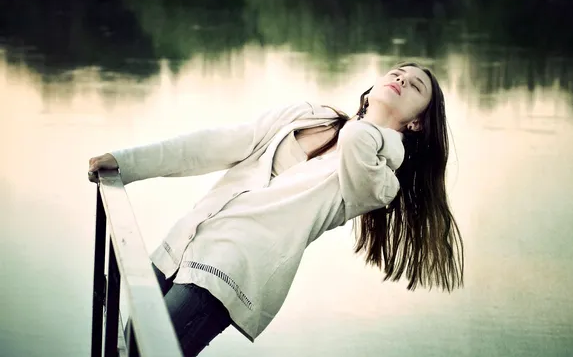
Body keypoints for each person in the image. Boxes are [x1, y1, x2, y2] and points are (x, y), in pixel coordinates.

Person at [88, 62, 464, 356]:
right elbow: (216, 144)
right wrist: (126, 163)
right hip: (186, 240)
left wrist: (385, 134)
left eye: (415, 86)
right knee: (125, 347)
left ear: (417, 122)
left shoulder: (379, 182)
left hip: (225, 274)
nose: (400, 79)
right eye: (396, 72)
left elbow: (357, 139)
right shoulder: (307, 115)